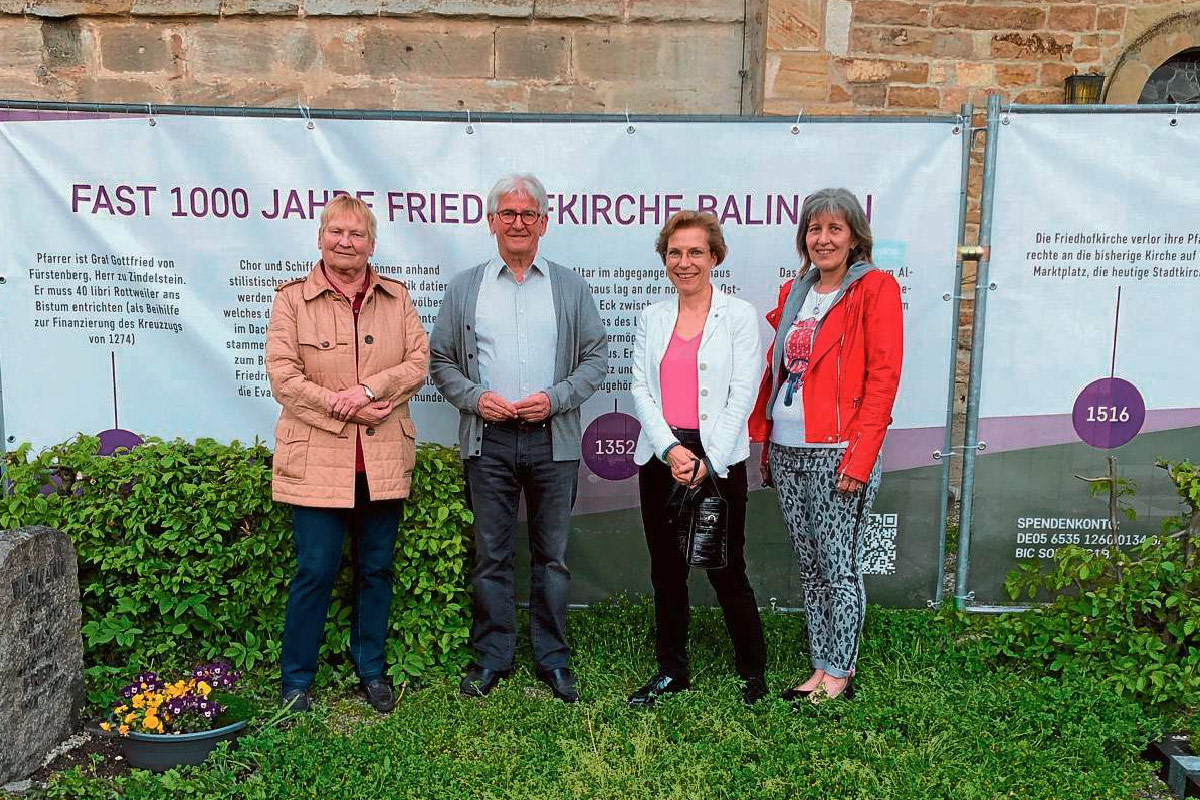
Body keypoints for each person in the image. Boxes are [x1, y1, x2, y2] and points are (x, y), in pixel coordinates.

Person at [429, 174, 608, 704]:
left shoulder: (570, 287)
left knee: (552, 556)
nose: (518, 223)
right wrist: (473, 397)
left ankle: (552, 658)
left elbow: (596, 357)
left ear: (545, 224)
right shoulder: (466, 287)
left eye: (529, 214)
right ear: (491, 223)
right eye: (508, 214)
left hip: (553, 439)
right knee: (491, 554)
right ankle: (493, 657)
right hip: (489, 438)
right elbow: (440, 361)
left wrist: (556, 398)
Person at [266, 194, 429, 714]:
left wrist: (369, 392)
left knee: (376, 569)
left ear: (372, 243)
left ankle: (373, 671)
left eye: (357, 234)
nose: (346, 241)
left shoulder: (397, 298)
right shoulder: (291, 300)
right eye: (336, 231)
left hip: (379, 463)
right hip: (317, 458)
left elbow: (417, 362)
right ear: (320, 237)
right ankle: (296, 681)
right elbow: (283, 378)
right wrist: (344, 409)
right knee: (315, 570)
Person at [749, 188, 903, 703]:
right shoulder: (798, 291)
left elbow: (883, 380)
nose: (823, 239)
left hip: (840, 451)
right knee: (811, 566)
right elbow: (781, 373)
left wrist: (861, 458)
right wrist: (769, 447)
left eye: (835, 229)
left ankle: (840, 669)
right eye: (815, 229)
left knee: (839, 566)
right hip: (790, 448)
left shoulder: (874, 289)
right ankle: (820, 663)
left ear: (855, 237)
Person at [628, 210, 769, 707]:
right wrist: (670, 450)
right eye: (675, 253)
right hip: (662, 457)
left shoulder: (739, 315)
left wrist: (706, 456)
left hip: (718, 458)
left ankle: (752, 673)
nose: (684, 262)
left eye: (695, 252)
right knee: (666, 569)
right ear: (664, 259)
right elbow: (640, 388)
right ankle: (672, 670)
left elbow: (743, 392)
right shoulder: (652, 317)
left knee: (725, 567)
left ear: (714, 257)